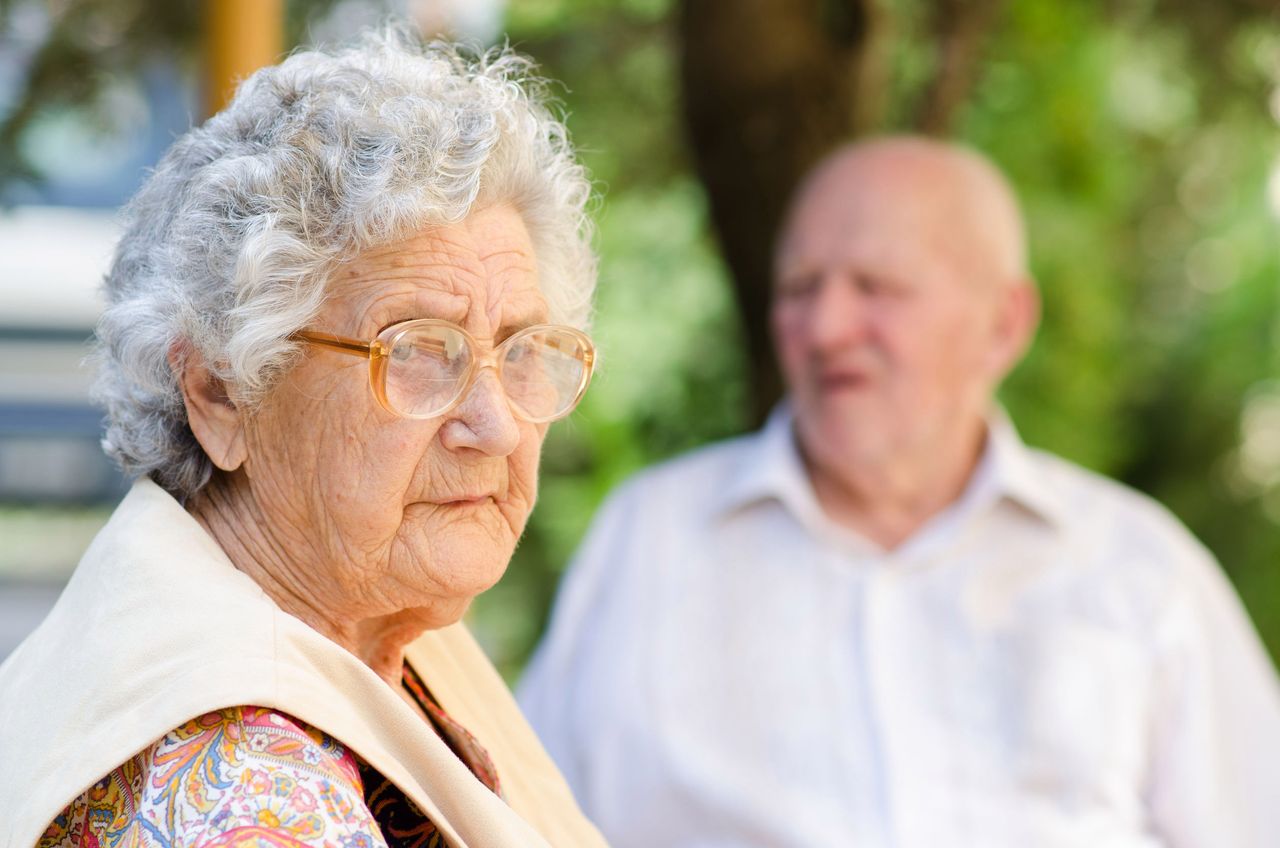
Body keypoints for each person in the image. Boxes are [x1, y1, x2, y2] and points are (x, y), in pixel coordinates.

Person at [519, 137, 1280, 847]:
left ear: (1003, 325)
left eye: (876, 286)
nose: (825, 327)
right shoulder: (649, 540)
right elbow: (515, 818)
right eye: (799, 288)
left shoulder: (1138, 568)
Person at [0, 30, 607, 848]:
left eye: (522, 350)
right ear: (221, 393)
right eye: (420, 351)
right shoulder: (248, 800)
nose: (497, 425)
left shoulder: (372, 630)